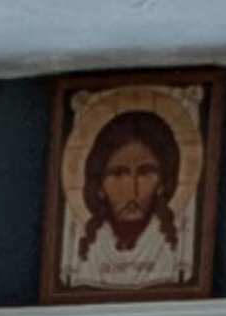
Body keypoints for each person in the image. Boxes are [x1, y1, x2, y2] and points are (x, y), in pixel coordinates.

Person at [64, 101, 193, 290]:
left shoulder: (173, 251)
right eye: (118, 174)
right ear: (99, 186)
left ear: (163, 183)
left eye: (145, 173)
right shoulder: (91, 252)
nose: (133, 190)